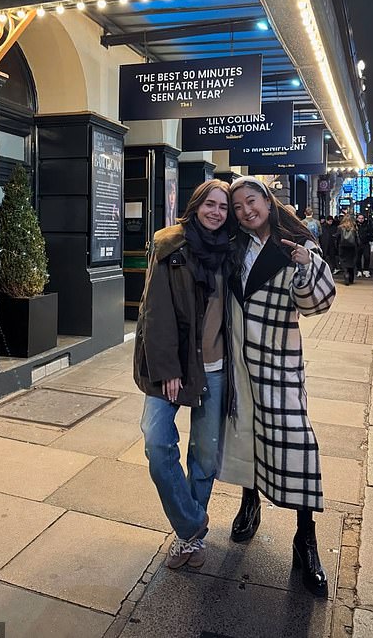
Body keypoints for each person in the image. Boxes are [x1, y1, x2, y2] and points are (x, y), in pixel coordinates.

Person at [219, 177, 336, 597]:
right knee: (247, 437)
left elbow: (317, 304)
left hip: (278, 368)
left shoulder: (295, 244)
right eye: (238, 207)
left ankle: (306, 538)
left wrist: (306, 267)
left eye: (252, 202)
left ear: (268, 202)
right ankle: (250, 503)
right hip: (239, 368)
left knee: (297, 445)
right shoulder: (233, 246)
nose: (246, 211)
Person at [133, 180, 232, 570]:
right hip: (176, 367)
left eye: (223, 207)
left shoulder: (231, 250)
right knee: (157, 443)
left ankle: (186, 541)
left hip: (218, 368)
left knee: (205, 456)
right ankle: (192, 525)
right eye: (210, 203)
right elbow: (153, 310)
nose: (216, 212)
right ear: (196, 204)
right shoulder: (169, 244)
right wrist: (167, 368)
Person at [334, 213, 359, 285]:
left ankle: (346, 274)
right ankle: (351, 278)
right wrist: (358, 245)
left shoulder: (340, 227)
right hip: (352, 247)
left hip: (342, 247)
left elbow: (337, 238)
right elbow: (357, 238)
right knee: (351, 262)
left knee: (343, 262)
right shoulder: (354, 227)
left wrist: (337, 247)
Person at [355, 213, 373, 278]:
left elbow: (371, 233)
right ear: (357, 218)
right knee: (358, 258)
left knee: (367, 257)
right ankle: (359, 270)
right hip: (357, 244)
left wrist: (369, 238)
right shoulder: (355, 226)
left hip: (366, 243)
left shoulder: (367, 225)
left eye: (362, 218)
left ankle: (366, 270)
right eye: (359, 218)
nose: (361, 220)